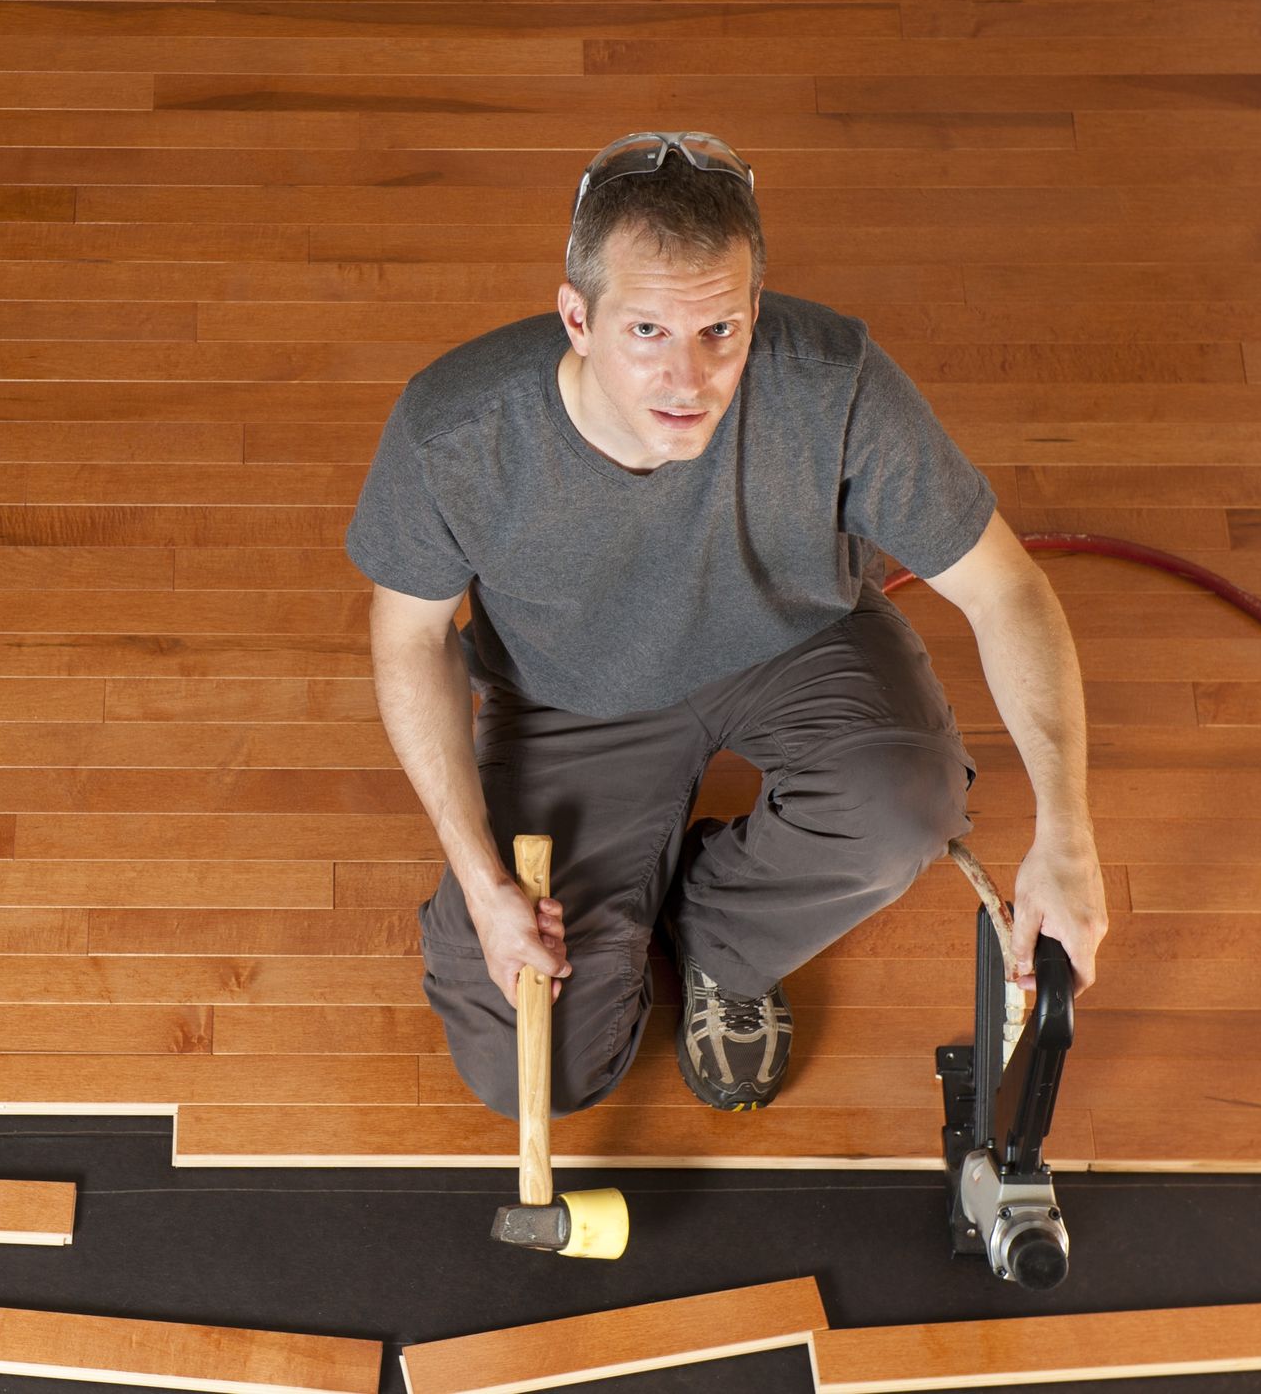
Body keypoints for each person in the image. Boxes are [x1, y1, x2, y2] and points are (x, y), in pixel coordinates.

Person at [346, 132, 1110, 1121]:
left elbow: (1006, 590)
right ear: (577, 318)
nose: (689, 380)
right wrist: (487, 883)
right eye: (648, 332)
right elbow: (408, 642)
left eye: (721, 331)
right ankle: (624, 887)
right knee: (530, 1069)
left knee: (906, 806)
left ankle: (722, 932)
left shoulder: (833, 381)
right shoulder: (456, 433)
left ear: (755, 312)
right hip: (574, 697)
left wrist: (1068, 832)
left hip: (792, 643)